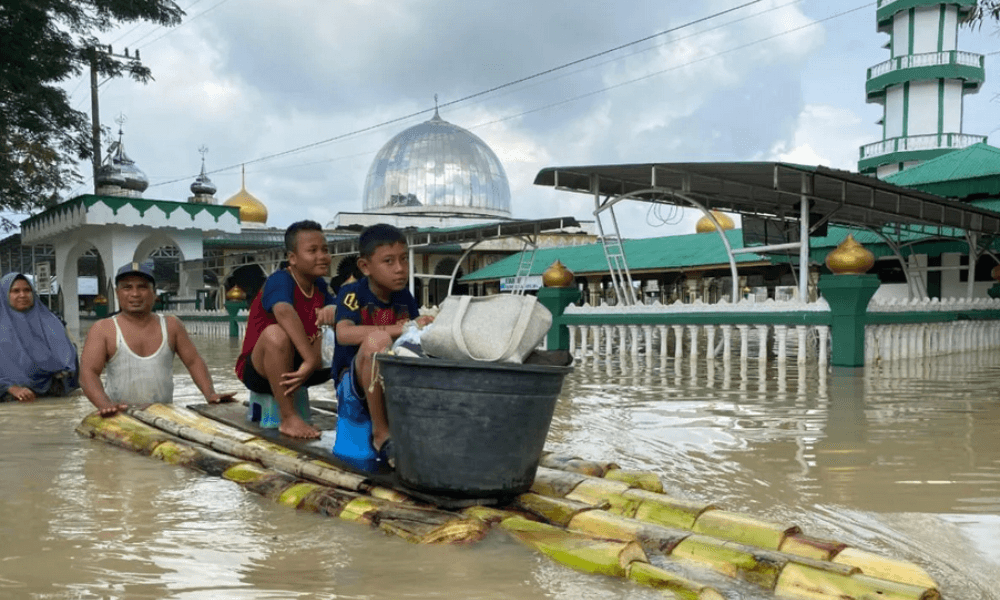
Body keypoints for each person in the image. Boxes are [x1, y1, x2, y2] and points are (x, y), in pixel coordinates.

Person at [331, 224, 433, 471]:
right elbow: (344, 333)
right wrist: (402, 328)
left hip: (391, 380)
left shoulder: (405, 297)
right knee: (377, 341)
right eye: (389, 261)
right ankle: (380, 432)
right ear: (365, 266)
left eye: (403, 259)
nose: (400, 268)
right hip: (354, 383)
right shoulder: (352, 294)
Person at [80, 261, 234, 416]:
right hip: (119, 417)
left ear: (154, 293)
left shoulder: (171, 325)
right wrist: (104, 404)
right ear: (117, 292)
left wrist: (210, 394)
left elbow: (193, 361)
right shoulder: (103, 329)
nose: (135, 294)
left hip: (164, 414)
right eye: (127, 287)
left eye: (142, 287)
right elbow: (88, 373)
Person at [236, 220, 336, 439]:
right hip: (260, 370)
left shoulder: (320, 286)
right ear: (293, 258)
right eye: (312, 251)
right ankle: (288, 417)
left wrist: (333, 309)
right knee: (276, 334)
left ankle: (355, 413)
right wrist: (310, 359)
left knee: (342, 330)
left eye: (325, 250)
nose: (322, 256)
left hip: (303, 367)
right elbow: (283, 311)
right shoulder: (280, 280)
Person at [0, 273, 79, 402]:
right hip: (10, 400)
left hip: (52, 396)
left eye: (27, 290)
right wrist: (10, 388)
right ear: (4, 294)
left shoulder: (52, 322)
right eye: (15, 291)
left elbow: (70, 360)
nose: (22, 295)